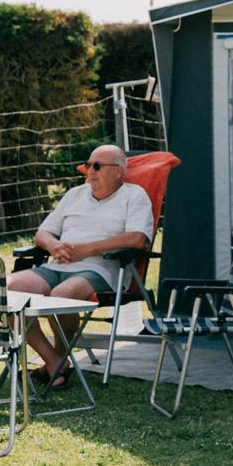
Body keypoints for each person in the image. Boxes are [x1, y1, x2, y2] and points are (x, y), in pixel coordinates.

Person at [16, 145, 153, 388]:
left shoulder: (135, 195)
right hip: (58, 264)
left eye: (97, 166)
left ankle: (56, 364)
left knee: (62, 296)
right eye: (88, 165)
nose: (90, 171)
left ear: (119, 172)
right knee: (6, 291)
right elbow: (43, 233)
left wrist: (87, 249)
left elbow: (138, 239)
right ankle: (54, 361)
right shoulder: (75, 194)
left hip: (101, 268)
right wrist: (54, 246)